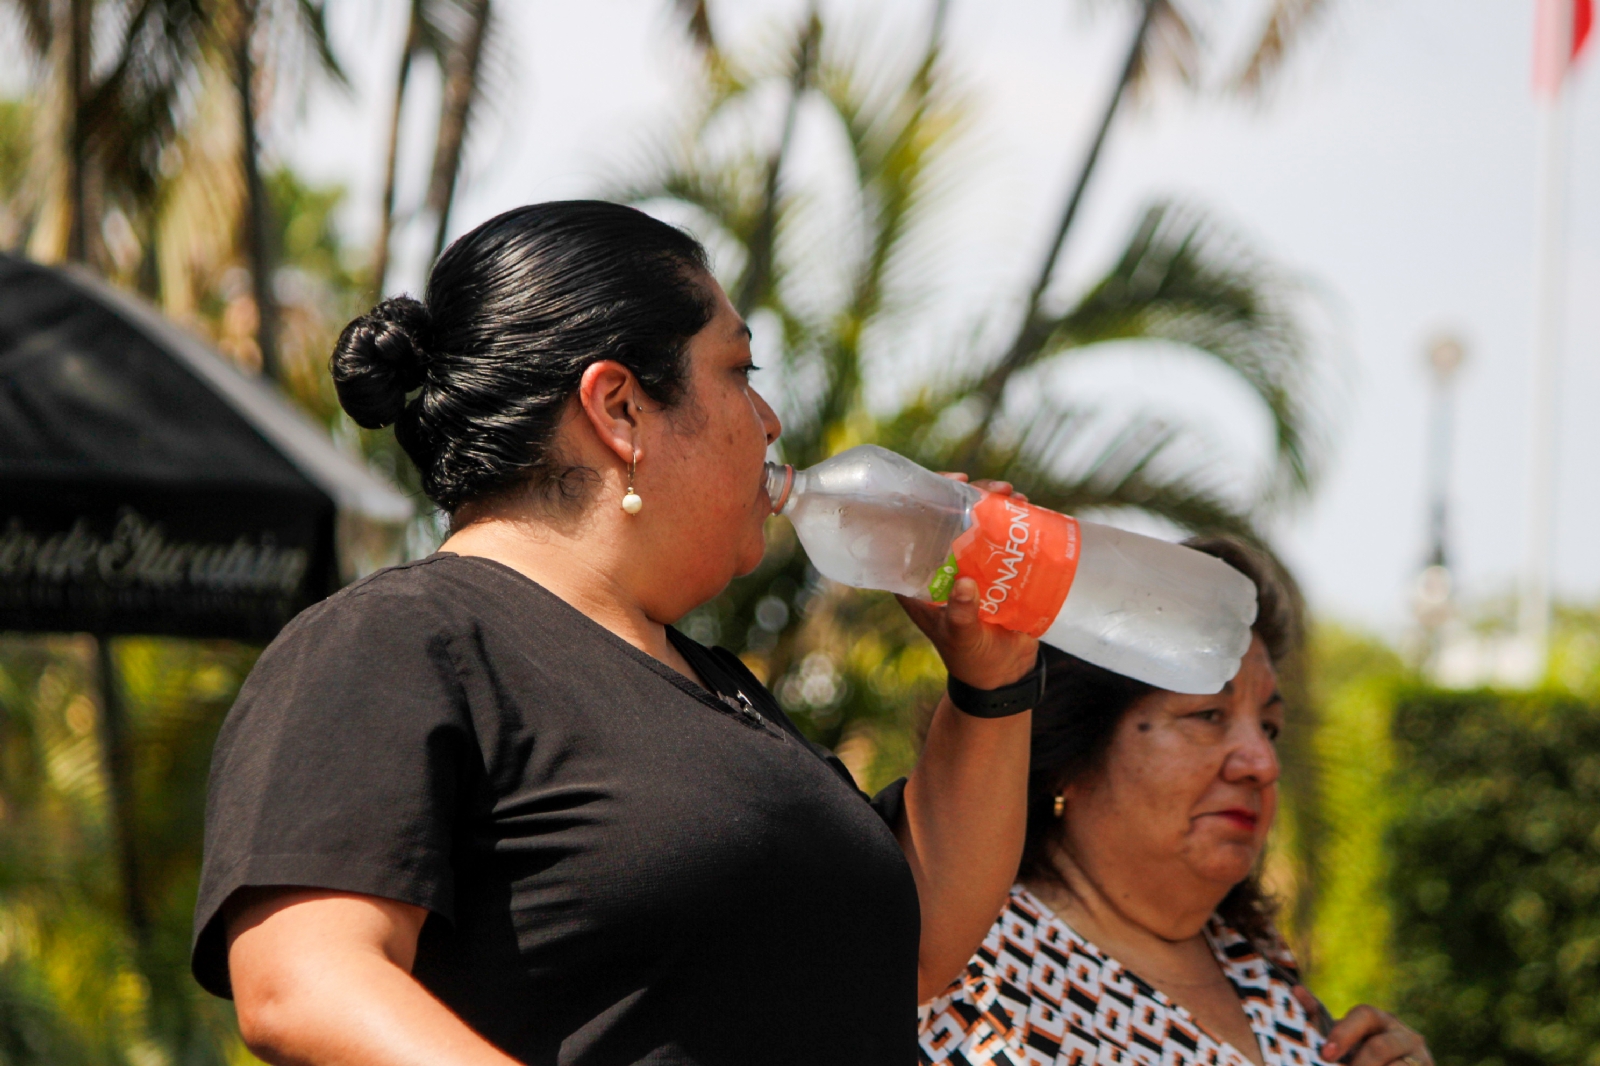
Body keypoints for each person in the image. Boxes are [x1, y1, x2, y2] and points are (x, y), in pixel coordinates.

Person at [191, 200, 1044, 1066]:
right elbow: (304, 981)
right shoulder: (395, 640)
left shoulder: (716, 684)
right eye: (740, 370)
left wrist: (992, 681)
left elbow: (915, 950)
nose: (771, 420)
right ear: (620, 407)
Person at [918, 538, 1434, 1066]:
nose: (1262, 763)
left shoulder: (1256, 962)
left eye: (1270, 728)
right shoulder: (957, 966)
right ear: (1074, 751)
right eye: (1209, 715)